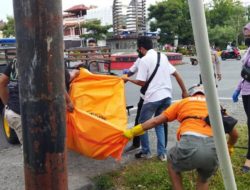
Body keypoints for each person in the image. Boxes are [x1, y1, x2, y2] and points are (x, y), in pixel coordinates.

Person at [124, 84, 238, 190]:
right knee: (203, 181)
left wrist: (133, 131)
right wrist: (229, 146)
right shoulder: (216, 105)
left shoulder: (184, 102)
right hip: (213, 149)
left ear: (191, 94)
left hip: (189, 143)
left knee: (171, 159)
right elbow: (235, 134)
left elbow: (155, 121)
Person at [123, 36, 188, 161]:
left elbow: (141, 82)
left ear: (141, 48)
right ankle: (162, 154)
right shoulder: (162, 56)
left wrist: (127, 79)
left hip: (153, 98)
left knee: (142, 124)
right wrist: (184, 91)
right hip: (167, 96)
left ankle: (146, 151)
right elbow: (176, 74)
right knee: (159, 123)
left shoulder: (144, 60)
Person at [0, 58, 75, 145]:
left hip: (14, 113)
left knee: (31, 149)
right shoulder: (46, 59)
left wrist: (8, 105)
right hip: (35, 115)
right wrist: (68, 102)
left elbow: (2, 82)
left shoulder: (16, 60)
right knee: (39, 151)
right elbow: (56, 83)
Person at [232, 22, 250, 173]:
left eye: (248, 35)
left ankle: (249, 159)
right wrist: (238, 89)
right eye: (245, 35)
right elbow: (245, 74)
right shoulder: (249, 50)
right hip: (246, 92)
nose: (246, 38)